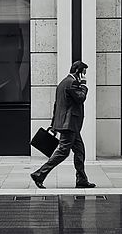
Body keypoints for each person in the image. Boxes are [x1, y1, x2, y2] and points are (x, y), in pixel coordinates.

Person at [31, 60, 96, 189]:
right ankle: (39, 174)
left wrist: (54, 124)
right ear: (78, 71)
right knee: (62, 152)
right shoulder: (72, 83)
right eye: (84, 72)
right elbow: (80, 98)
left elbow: (57, 106)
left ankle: (81, 180)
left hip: (69, 125)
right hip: (70, 125)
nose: (85, 75)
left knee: (80, 151)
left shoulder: (62, 83)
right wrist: (83, 86)